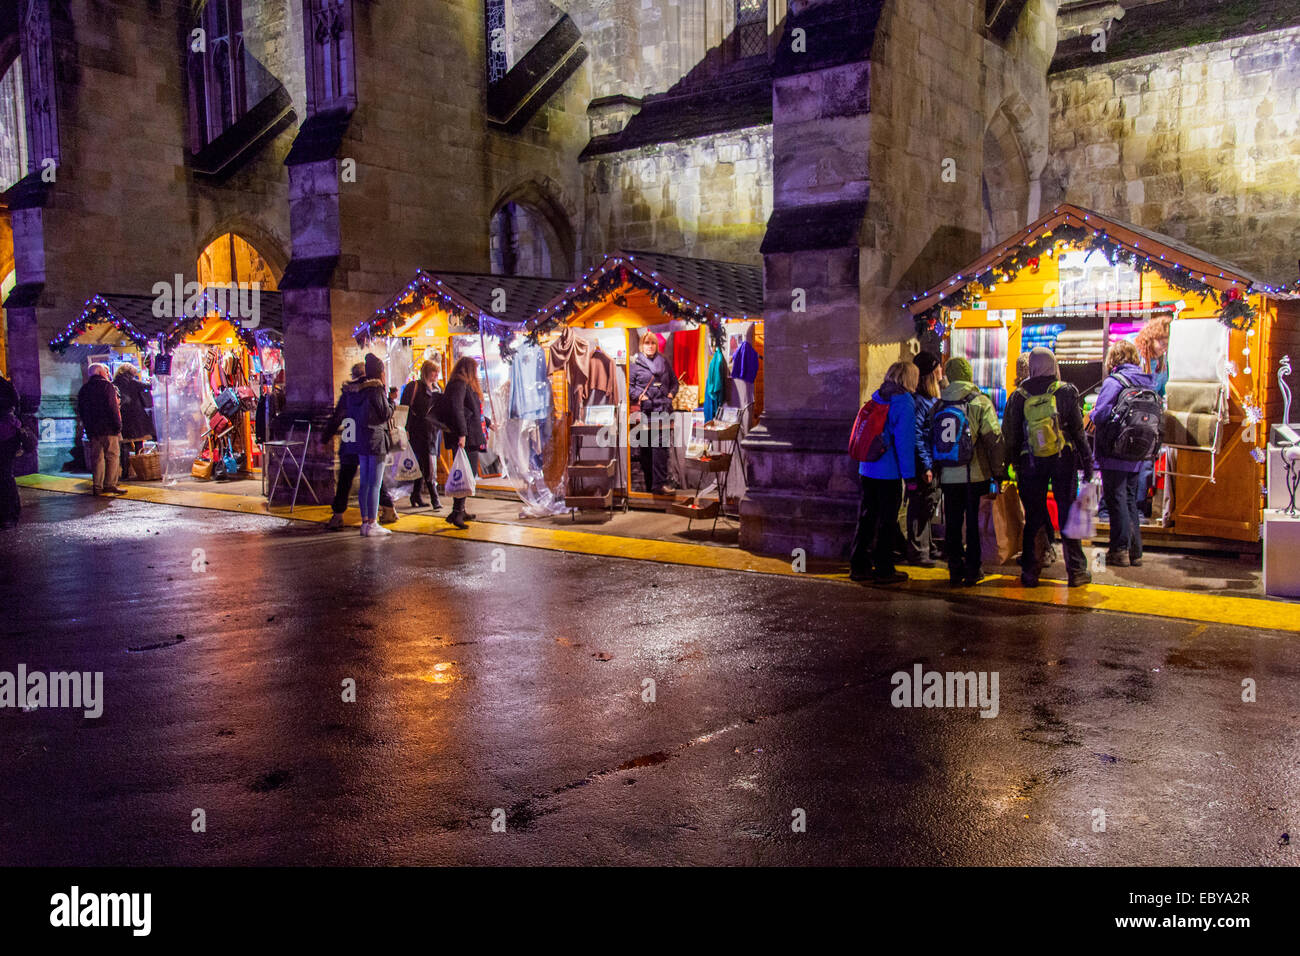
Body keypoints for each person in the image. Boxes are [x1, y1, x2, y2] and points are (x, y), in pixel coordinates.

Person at [1002, 346, 1094, 588]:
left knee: (1034, 516)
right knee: (1067, 513)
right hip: (1063, 460)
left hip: (1030, 462)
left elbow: (1009, 436)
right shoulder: (1066, 391)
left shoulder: (1018, 396)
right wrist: (1088, 462)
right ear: (1053, 365)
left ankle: (1031, 572)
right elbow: (1078, 432)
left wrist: (1009, 465)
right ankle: (1076, 570)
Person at [934, 357, 1005, 586]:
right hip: (975, 474)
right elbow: (994, 438)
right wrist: (998, 471)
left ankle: (955, 569)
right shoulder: (979, 402)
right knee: (974, 523)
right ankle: (973, 570)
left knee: (953, 522)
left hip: (947, 474)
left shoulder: (939, 404)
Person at [849, 360, 919, 584]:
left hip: (867, 468)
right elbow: (905, 444)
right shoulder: (904, 402)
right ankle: (884, 568)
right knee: (887, 521)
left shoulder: (879, 396)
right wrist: (910, 478)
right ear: (909, 378)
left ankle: (859, 564)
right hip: (888, 472)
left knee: (867, 517)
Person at [1091, 339, 1158, 567]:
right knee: (1129, 498)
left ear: (1114, 359)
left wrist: (1091, 415)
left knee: (1115, 498)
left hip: (1114, 449)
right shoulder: (1147, 382)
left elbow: (1101, 415)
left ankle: (1119, 550)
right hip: (1138, 450)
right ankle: (1135, 551)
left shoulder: (1115, 381)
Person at [323, 357, 395, 536]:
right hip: (373, 438)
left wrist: (325, 435)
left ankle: (360, 520)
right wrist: (392, 402)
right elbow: (384, 413)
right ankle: (374, 521)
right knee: (375, 482)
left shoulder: (351, 392)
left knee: (362, 481)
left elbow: (338, 415)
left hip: (354, 439)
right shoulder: (375, 388)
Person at [906, 351, 944, 567]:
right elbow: (917, 435)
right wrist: (926, 465)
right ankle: (918, 551)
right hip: (924, 463)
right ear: (930, 372)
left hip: (931, 459)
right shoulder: (920, 401)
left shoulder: (930, 398)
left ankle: (926, 546)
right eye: (938, 367)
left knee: (928, 503)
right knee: (922, 504)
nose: (941, 371)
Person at [629, 331, 680, 495]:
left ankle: (659, 484)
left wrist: (670, 394)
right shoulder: (636, 364)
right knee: (646, 449)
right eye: (646, 343)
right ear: (642, 345)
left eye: (652, 343)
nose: (650, 346)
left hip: (662, 410)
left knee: (660, 447)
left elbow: (674, 382)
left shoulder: (664, 362)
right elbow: (629, 387)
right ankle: (650, 483)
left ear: (656, 345)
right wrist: (639, 396)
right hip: (646, 411)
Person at [443, 355, 487, 530]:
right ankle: (457, 512)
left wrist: (488, 423)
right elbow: (458, 410)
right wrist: (462, 434)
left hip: (469, 435)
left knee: (467, 474)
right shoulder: (460, 385)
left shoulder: (461, 384)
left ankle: (459, 509)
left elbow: (471, 411)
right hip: (466, 438)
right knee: (464, 474)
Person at [400, 358, 443, 511]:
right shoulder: (415, 386)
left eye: (438, 372)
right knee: (428, 464)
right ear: (426, 371)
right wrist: (404, 428)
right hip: (417, 431)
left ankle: (416, 494)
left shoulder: (438, 389)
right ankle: (434, 497)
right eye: (434, 371)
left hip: (433, 432)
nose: (436, 375)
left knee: (425, 464)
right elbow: (404, 407)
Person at [78, 364, 125, 496]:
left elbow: (81, 410)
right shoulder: (106, 386)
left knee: (96, 457)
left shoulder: (84, 388)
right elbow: (112, 407)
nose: (108, 373)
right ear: (99, 372)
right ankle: (110, 484)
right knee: (112, 456)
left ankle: (97, 486)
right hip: (108, 427)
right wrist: (117, 425)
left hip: (93, 429)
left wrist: (87, 427)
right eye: (106, 371)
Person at [113, 364, 156, 477]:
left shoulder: (114, 383)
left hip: (123, 417)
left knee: (124, 446)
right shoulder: (133, 382)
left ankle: (125, 472)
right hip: (136, 417)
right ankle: (140, 470)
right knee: (138, 444)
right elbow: (149, 386)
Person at [0, 372, 23, 528]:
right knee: (5, 475)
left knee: (4, 475)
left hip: (5, 435)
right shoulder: (7, 386)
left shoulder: (4, 388)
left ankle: (9, 515)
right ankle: (10, 514)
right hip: (8, 433)